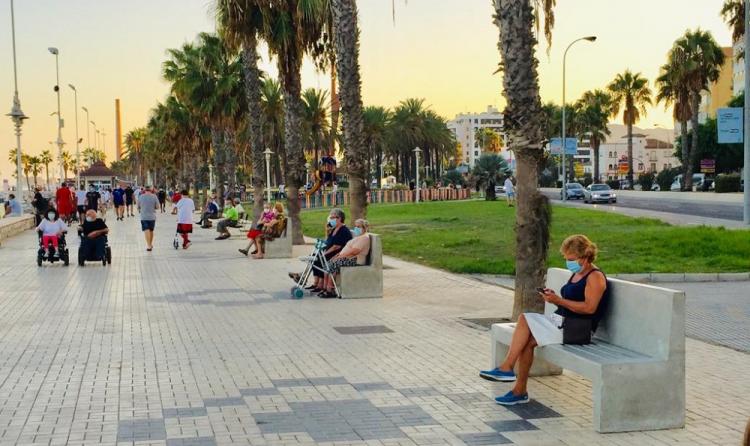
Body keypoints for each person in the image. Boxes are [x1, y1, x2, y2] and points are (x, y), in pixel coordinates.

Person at [480, 235, 608, 406]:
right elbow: (570, 300)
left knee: (525, 318)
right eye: (566, 259)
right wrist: (552, 297)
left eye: (571, 259)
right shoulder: (577, 273)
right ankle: (518, 389)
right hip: (561, 323)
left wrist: (558, 301)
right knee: (526, 338)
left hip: (576, 330)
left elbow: (589, 308)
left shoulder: (595, 277)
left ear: (584, 257)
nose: (568, 263)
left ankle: (508, 369)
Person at [289, 208, 352, 291]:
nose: (331, 219)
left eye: (333, 218)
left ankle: (319, 284)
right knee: (313, 257)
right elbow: (328, 242)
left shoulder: (344, 230)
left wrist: (324, 254)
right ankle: (313, 282)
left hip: (336, 254)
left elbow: (336, 246)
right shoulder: (334, 229)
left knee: (318, 259)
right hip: (329, 252)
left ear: (339, 218)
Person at [317, 219, 371, 298]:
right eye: (355, 226)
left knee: (333, 264)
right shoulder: (358, 237)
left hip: (355, 259)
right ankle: (325, 288)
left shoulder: (364, 238)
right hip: (347, 257)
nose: (356, 228)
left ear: (364, 228)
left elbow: (354, 251)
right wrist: (337, 255)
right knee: (327, 264)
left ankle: (330, 290)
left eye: (358, 227)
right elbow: (347, 249)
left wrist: (340, 257)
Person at [137, 186, 159, 252]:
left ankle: (149, 245)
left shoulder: (140, 197)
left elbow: (138, 207)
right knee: (151, 231)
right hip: (152, 217)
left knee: (146, 230)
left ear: (144, 190)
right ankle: (150, 244)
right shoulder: (154, 196)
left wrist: (141, 208)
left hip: (144, 216)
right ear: (151, 190)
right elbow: (157, 207)